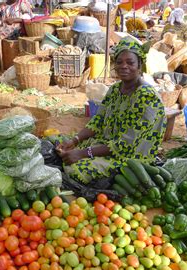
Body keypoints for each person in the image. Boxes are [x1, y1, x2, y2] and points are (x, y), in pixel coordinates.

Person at [57, 40, 166, 184]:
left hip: (131, 156)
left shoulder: (146, 96)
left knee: (75, 169)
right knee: (62, 150)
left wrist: (84, 153)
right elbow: (98, 121)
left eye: (130, 62)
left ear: (140, 66)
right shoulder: (115, 89)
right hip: (108, 144)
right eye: (119, 62)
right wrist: (74, 140)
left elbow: (126, 145)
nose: (123, 66)